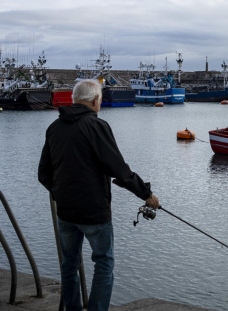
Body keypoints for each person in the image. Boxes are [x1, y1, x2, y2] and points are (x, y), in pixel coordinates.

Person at [38, 79, 159, 311]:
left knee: (69, 264)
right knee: (104, 263)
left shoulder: (54, 128)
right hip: (94, 212)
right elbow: (120, 170)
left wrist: (59, 193)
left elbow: (43, 174)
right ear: (95, 101)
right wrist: (146, 194)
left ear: (74, 100)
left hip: (65, 212)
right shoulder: (97, 126)